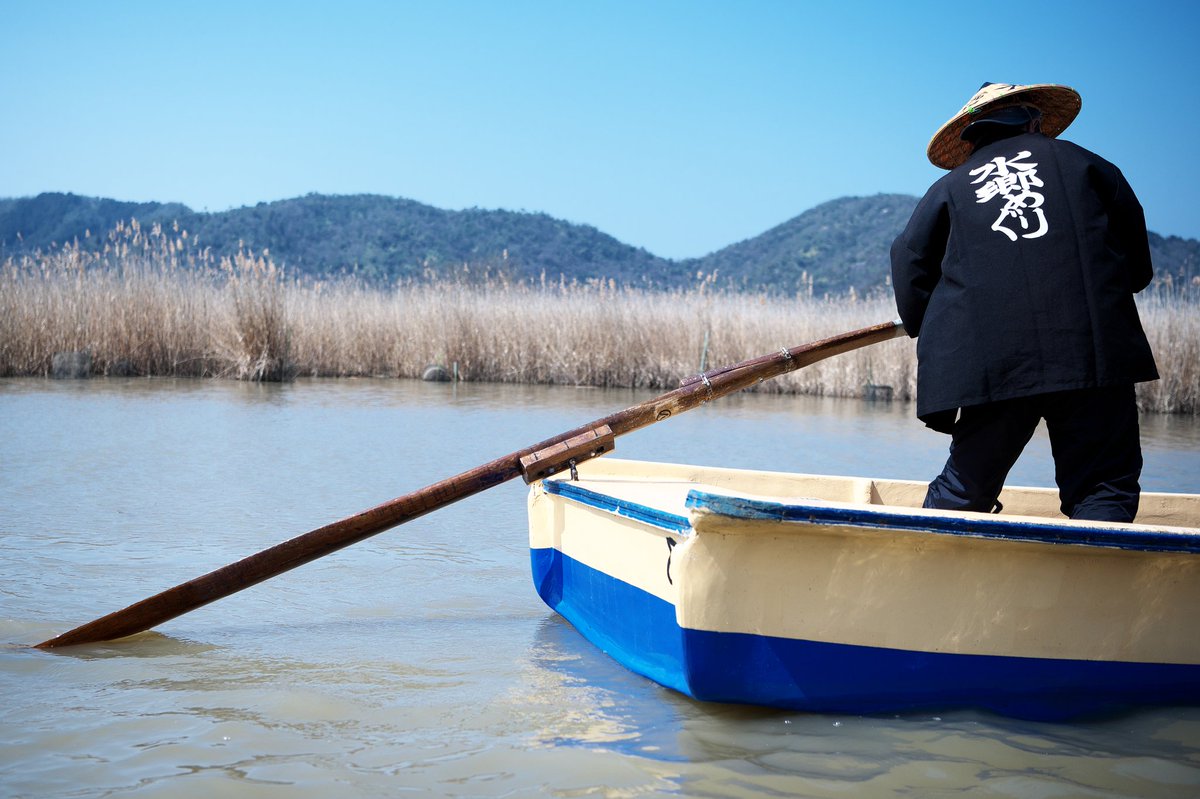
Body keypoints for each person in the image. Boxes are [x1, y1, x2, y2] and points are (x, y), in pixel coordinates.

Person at [890, 82, 1159, 522]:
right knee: (1102, 484)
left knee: (966, 487)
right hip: (1091, 351)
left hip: (990, 360)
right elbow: (1136, 270)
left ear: (973, 133)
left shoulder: (950, 188)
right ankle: (1100, 581)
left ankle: (932, 569)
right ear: (1034, 121)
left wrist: (931, 323)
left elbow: (910, 262)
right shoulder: (1089, 166)